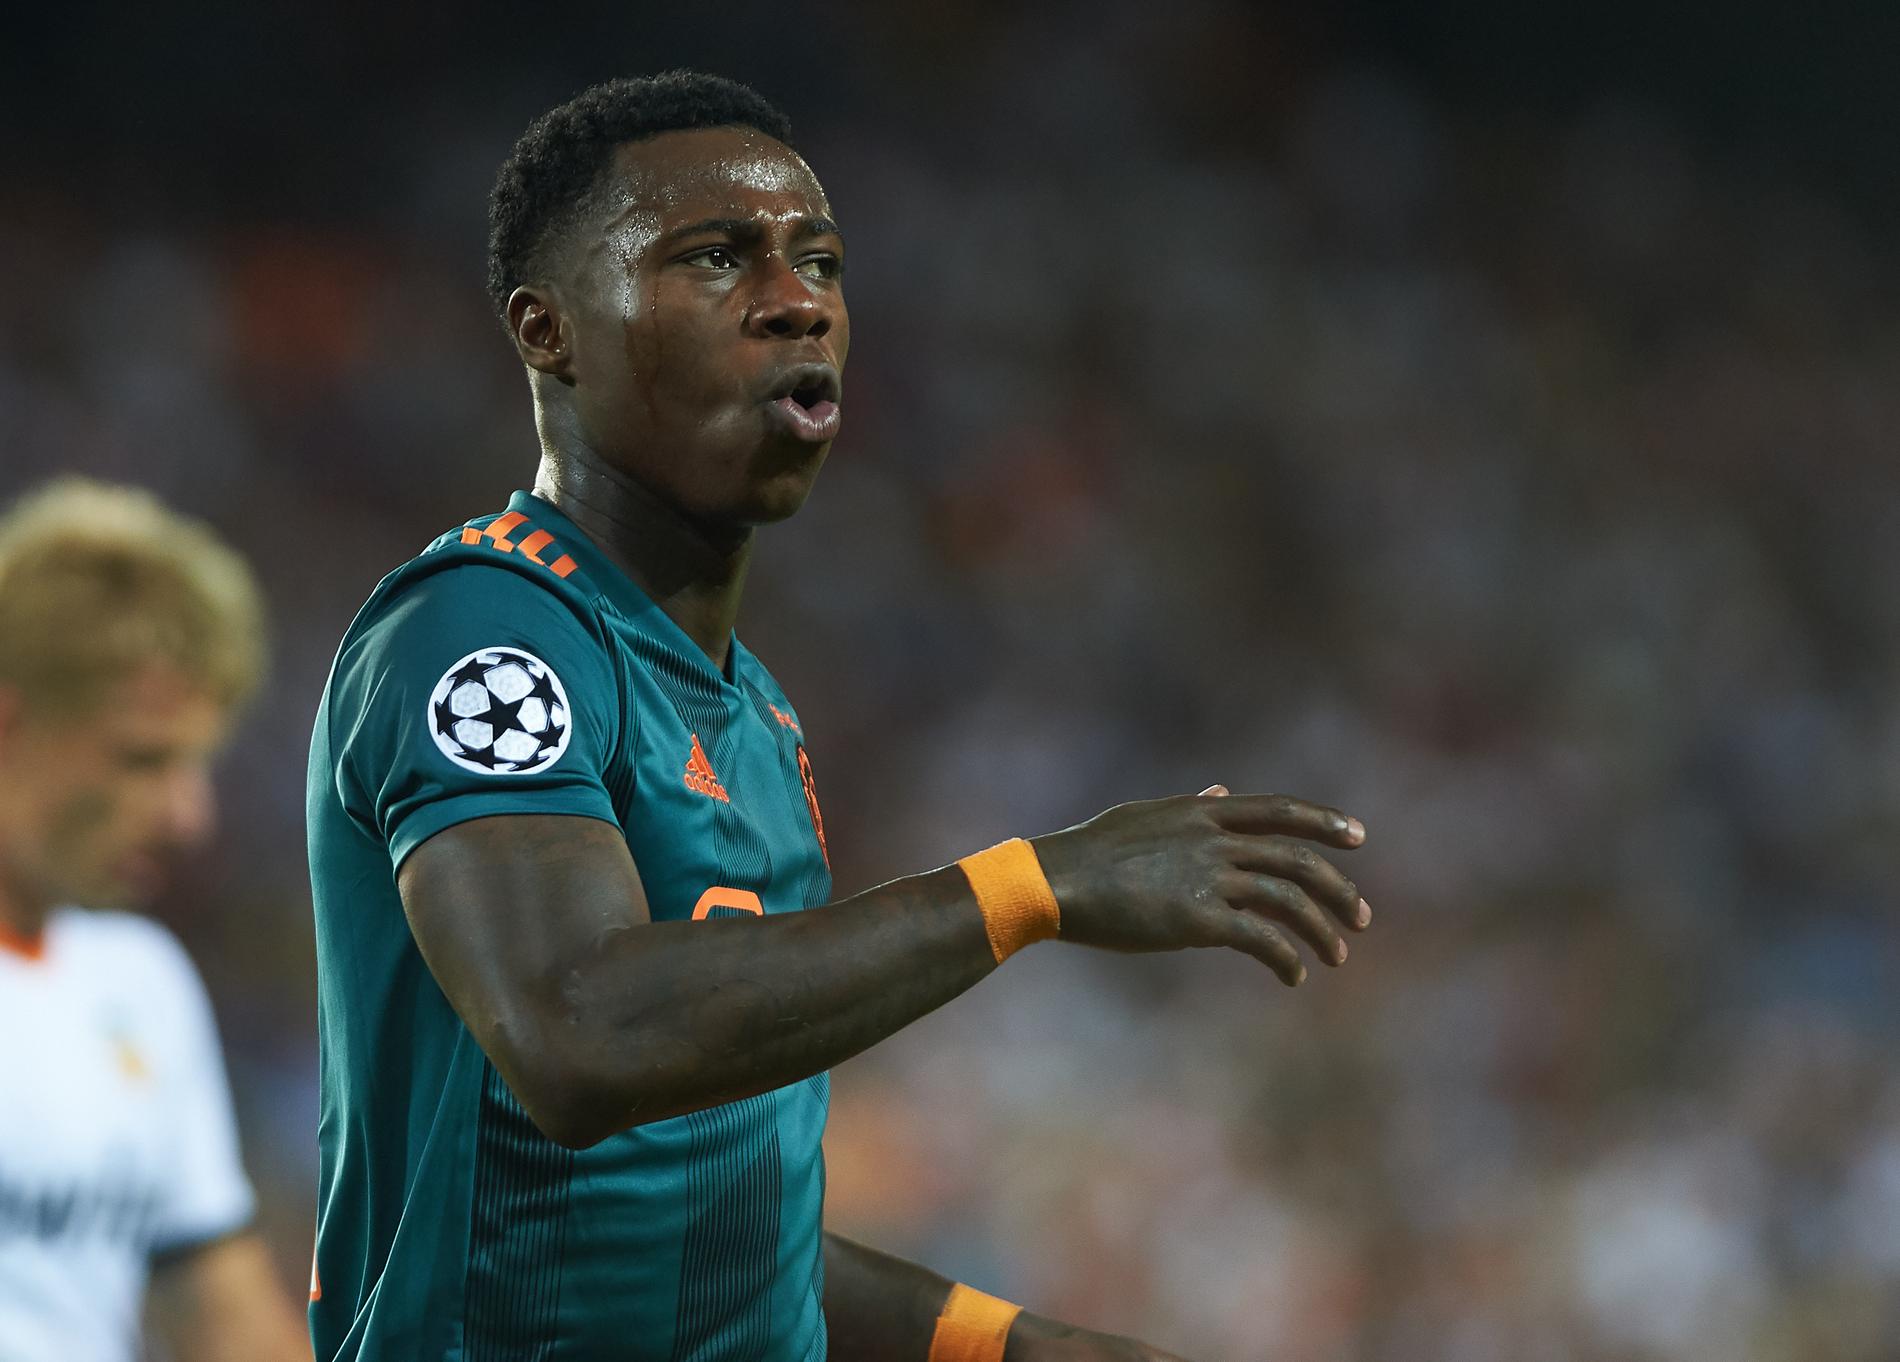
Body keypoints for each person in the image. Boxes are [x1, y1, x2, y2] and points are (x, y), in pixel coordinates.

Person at [306, 70, 1373, 1362]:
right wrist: (1032, 885)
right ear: (550, 330)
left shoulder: (753, 712)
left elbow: (704, 1214)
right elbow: (580, 1031)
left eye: (819, 261)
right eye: (715, 257)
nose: (795, 299)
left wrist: (1008, 1344)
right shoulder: (486, 630)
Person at [0, 479, 309, 1361]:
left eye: (196, 765)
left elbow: (223, 1315)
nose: (188, 817)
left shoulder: (141, 982)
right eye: (143, 760)